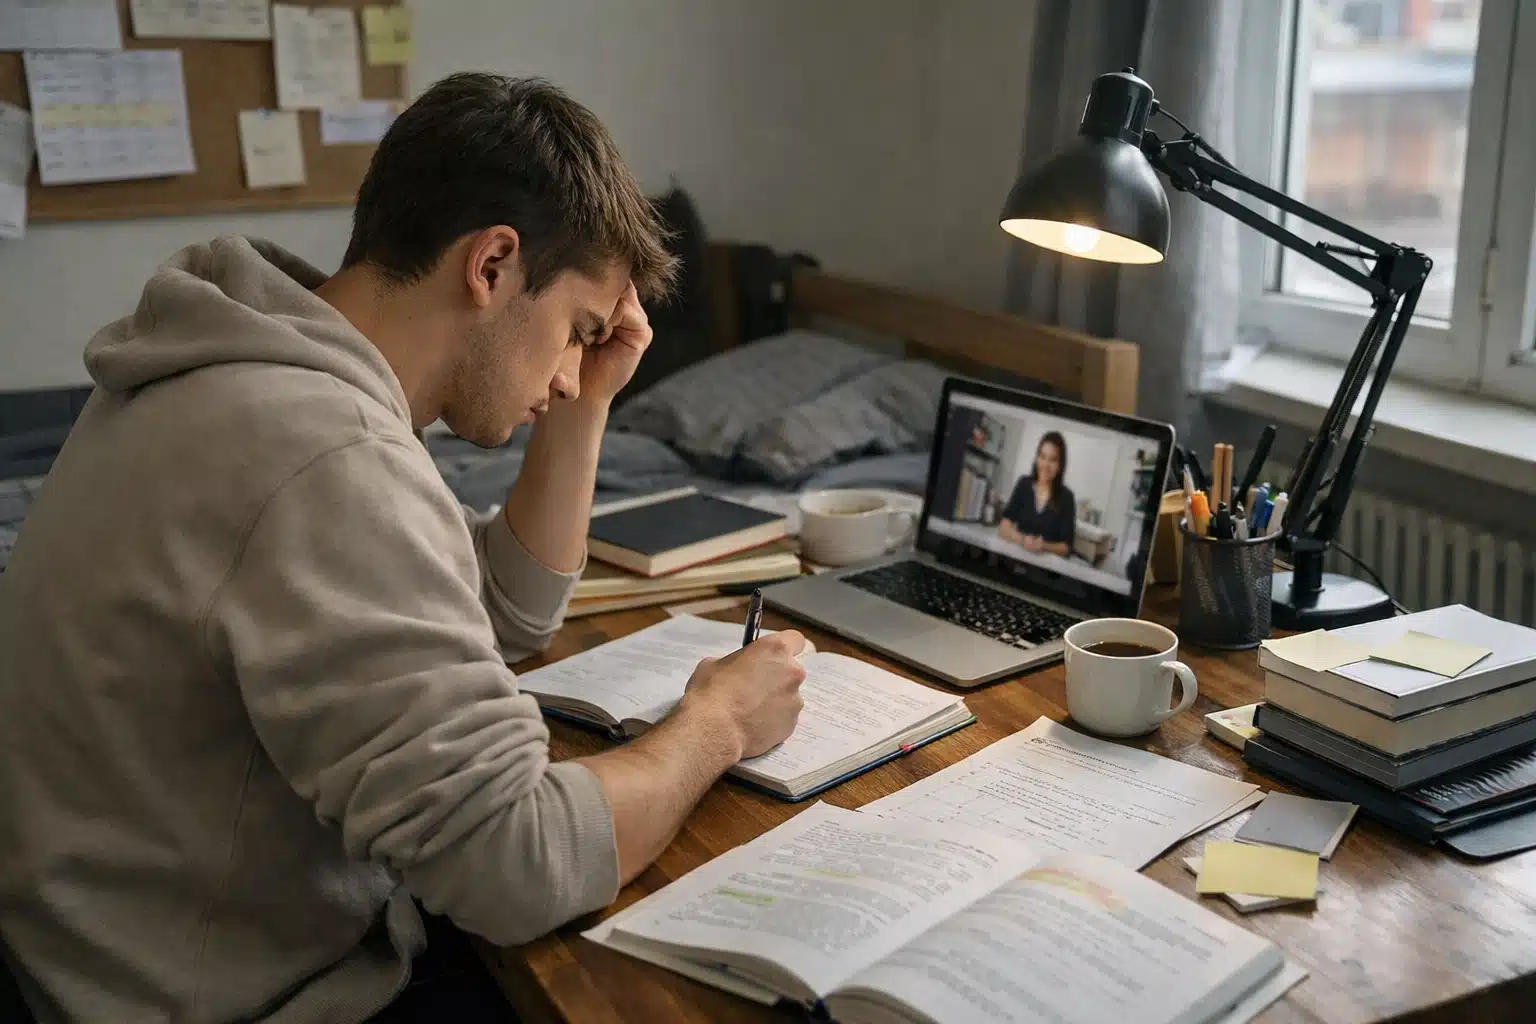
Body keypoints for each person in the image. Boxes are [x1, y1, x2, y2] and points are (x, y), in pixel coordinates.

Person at [0, 74, 809, 1024]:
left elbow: (500, 612)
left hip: (85, 957)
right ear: (493, 264)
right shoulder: (326, 455)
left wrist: (588, 401)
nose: (565, 370)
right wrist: (718, 723)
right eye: (575, 333)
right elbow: (519, 862)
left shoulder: (240, 363)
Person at [998, 431, 1077, 557]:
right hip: (1018, 557)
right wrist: (1023, 540)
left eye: (1053, 460)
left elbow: (1067, 547)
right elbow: (1004, 526)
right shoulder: (1023, 484)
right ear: (1037, 458)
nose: (1045, 465)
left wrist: (1044, 546)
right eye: (1042, 456)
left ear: (1060, 465)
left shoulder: (1067, 497)